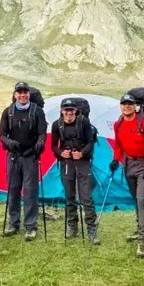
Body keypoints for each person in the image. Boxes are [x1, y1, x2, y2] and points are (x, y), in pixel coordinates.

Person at [110, 93, 144, 257]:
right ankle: (140, 229)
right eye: (124, 104)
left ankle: (143, 241)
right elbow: (119, 145)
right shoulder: (118, 124)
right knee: (135, 199)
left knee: (142, 200)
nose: (127, 106)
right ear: (121, 106)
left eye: (130, 104)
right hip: (128, 164)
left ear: (135, 106)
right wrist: (115, 159)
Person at [0, 81, 47, 241]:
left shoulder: (37, 111)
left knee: (30, 191)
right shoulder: (8, 112)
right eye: (19, 92)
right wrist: (9, 142)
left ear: (29, 94)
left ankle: (31, 226)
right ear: (15, 95)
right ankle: (13, 223)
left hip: (30, 156)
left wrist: (40, 143)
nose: (22, 95)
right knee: (13, 189)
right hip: (13, 156)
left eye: (25, 92)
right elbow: (2, 134)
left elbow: (42, 133)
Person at [51, 98, 99, 244]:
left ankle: (91, 229)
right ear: (61, 111)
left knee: (86, 196)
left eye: (71, 110)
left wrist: (82, 153)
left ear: (76, 111)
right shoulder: (56, 125)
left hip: (82, 161)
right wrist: (61, 153)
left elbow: (90, 142)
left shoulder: (83, 122)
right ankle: (72, 226)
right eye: (66, 110)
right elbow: (54, 146)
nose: (69, 113)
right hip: (66, 162)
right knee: (69, 195)